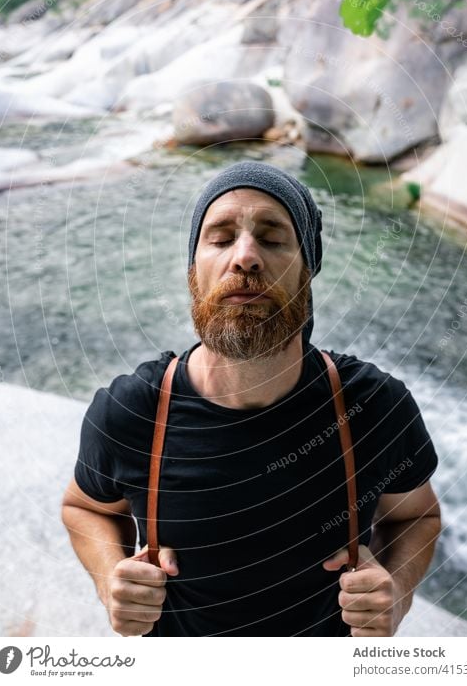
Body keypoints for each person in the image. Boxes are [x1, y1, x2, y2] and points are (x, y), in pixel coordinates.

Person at [62, 160, 441, 637]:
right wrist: (108, 578)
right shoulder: (131, 411)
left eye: (273, 237)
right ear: (193, 272)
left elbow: (417, 516)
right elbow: (85, 508)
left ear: (308, 269)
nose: (245, 257)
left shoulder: (373, 406)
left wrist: (396, 592)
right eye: (220, 239)